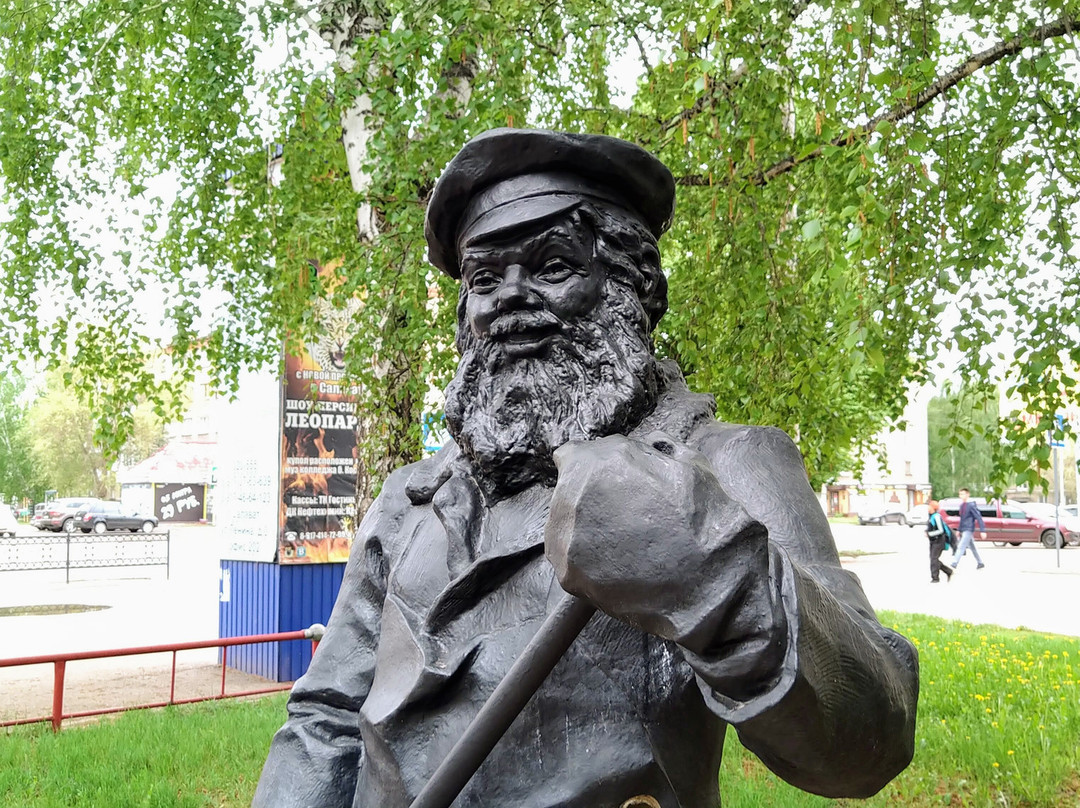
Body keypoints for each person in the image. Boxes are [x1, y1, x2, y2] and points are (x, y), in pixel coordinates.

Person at [253, 128, 918, 808]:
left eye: (552, 266)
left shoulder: (721, 462)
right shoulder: (411, 499)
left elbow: (874, 738)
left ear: (634, 287)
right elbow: (326, 717)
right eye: (485, 278)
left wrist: (720, 576)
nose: (510, 297)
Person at [951, 487, 987, 570]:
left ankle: (954, 563)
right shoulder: (962, 506)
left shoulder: (971, 505)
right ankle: (980, 562)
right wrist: (959, 530)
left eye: (963, 494)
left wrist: (982, 530)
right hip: (963, 528)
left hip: (969, 529)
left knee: (961, 545)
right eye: (960, 494)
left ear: (968, 494)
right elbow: (962, 519)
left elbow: (979, 517)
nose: (961, 496)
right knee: (972, 547)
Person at [925, 500, 953, 583]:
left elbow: (941, 530)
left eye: (929, 506)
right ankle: (948, 571)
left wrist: (930, 534)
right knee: (933, 559)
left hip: (939, 540)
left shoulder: (936, 516)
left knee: (934, 559)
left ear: (933, 507)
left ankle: (935, 578)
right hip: (934, 540)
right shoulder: (931, 516)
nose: (927, 507)